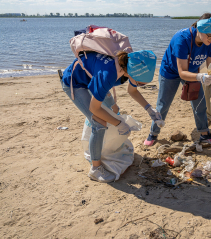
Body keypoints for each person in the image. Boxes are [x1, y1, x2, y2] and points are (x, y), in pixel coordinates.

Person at [61, 50, 161, 183]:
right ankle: (95, 169)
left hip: (93, 77)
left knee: (112, 111)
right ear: (132, 72)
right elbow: (94, 108)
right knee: (99, 122)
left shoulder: (129, 65)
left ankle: (101, 149)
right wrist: (119, 124)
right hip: (75, 83)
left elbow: (132, 90)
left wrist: (149, 109)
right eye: (141, 83)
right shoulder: (110, 74)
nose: (140, 85)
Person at [144, 13, 211, 146]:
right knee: (163, 104)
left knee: (200, 102)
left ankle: (204, 134)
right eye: (210, 36)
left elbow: (210, 66)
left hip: (192, 71)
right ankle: (153, 133)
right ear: (200, 29)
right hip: (170, 71)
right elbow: (182, 73)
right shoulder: (182, 39)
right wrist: (200, 77)